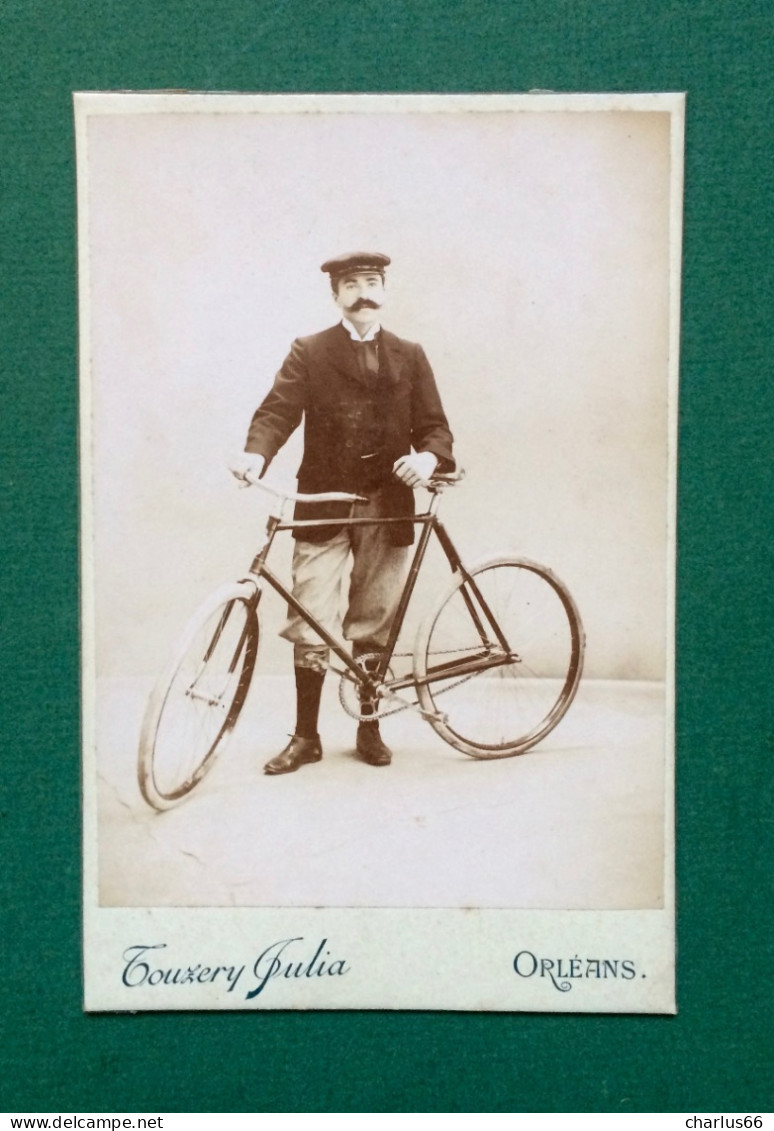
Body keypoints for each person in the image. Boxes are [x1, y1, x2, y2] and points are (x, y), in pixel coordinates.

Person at [231, 251, 455, 774]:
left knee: (375, 616)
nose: (363, 293)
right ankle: (306, 736)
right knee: (309, 613)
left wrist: (426, 457)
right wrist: (254, 454)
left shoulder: (410, 354)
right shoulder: (309, 351)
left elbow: (436, 428)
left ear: (386, 290)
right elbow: (277, 411)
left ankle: (368, 726)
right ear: (335, 295)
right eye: (351, 284)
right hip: (325, 502)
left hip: (388, 504)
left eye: (372, 282)